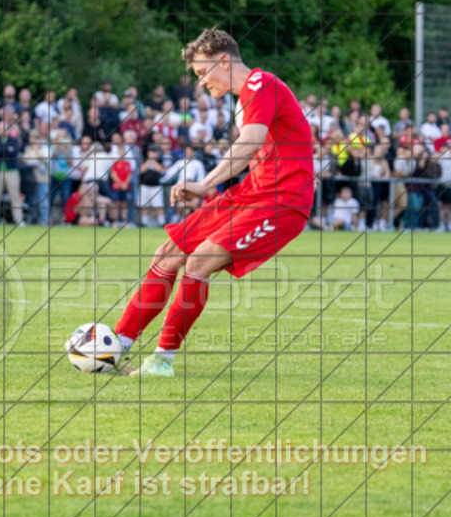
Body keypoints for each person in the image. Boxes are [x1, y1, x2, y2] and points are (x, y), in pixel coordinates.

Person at [105, 28, 314, 377]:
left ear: (223, 61)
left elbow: (250, 142)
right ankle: (116, 344)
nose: (200, 83)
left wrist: (204, 183)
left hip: (282, 202)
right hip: (252, 193)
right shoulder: (246, 97)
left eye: (202, 73)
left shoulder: (260, 83)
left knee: (198, 260)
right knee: (168, 253)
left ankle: (162, 361)